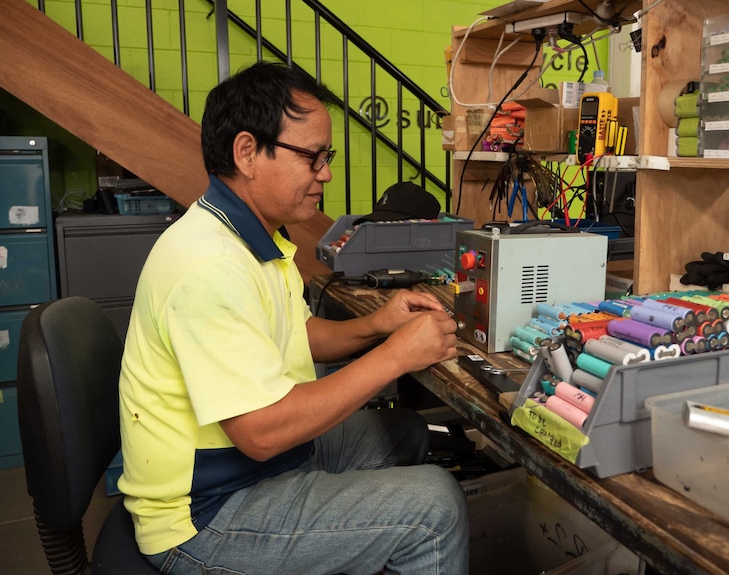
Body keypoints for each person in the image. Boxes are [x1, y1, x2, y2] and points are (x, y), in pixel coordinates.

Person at [118, 61, 469, 574]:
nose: (325, 172)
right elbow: (260, 433)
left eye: (327, 156)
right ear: (247, 153)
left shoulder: (255, 236)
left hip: (252, 469)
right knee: (433, 507)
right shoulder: (211, 265)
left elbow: (295, 335)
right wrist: (396, 356)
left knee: (405, 432)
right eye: (312, 157)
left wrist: (379, 324)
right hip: (204, 514)